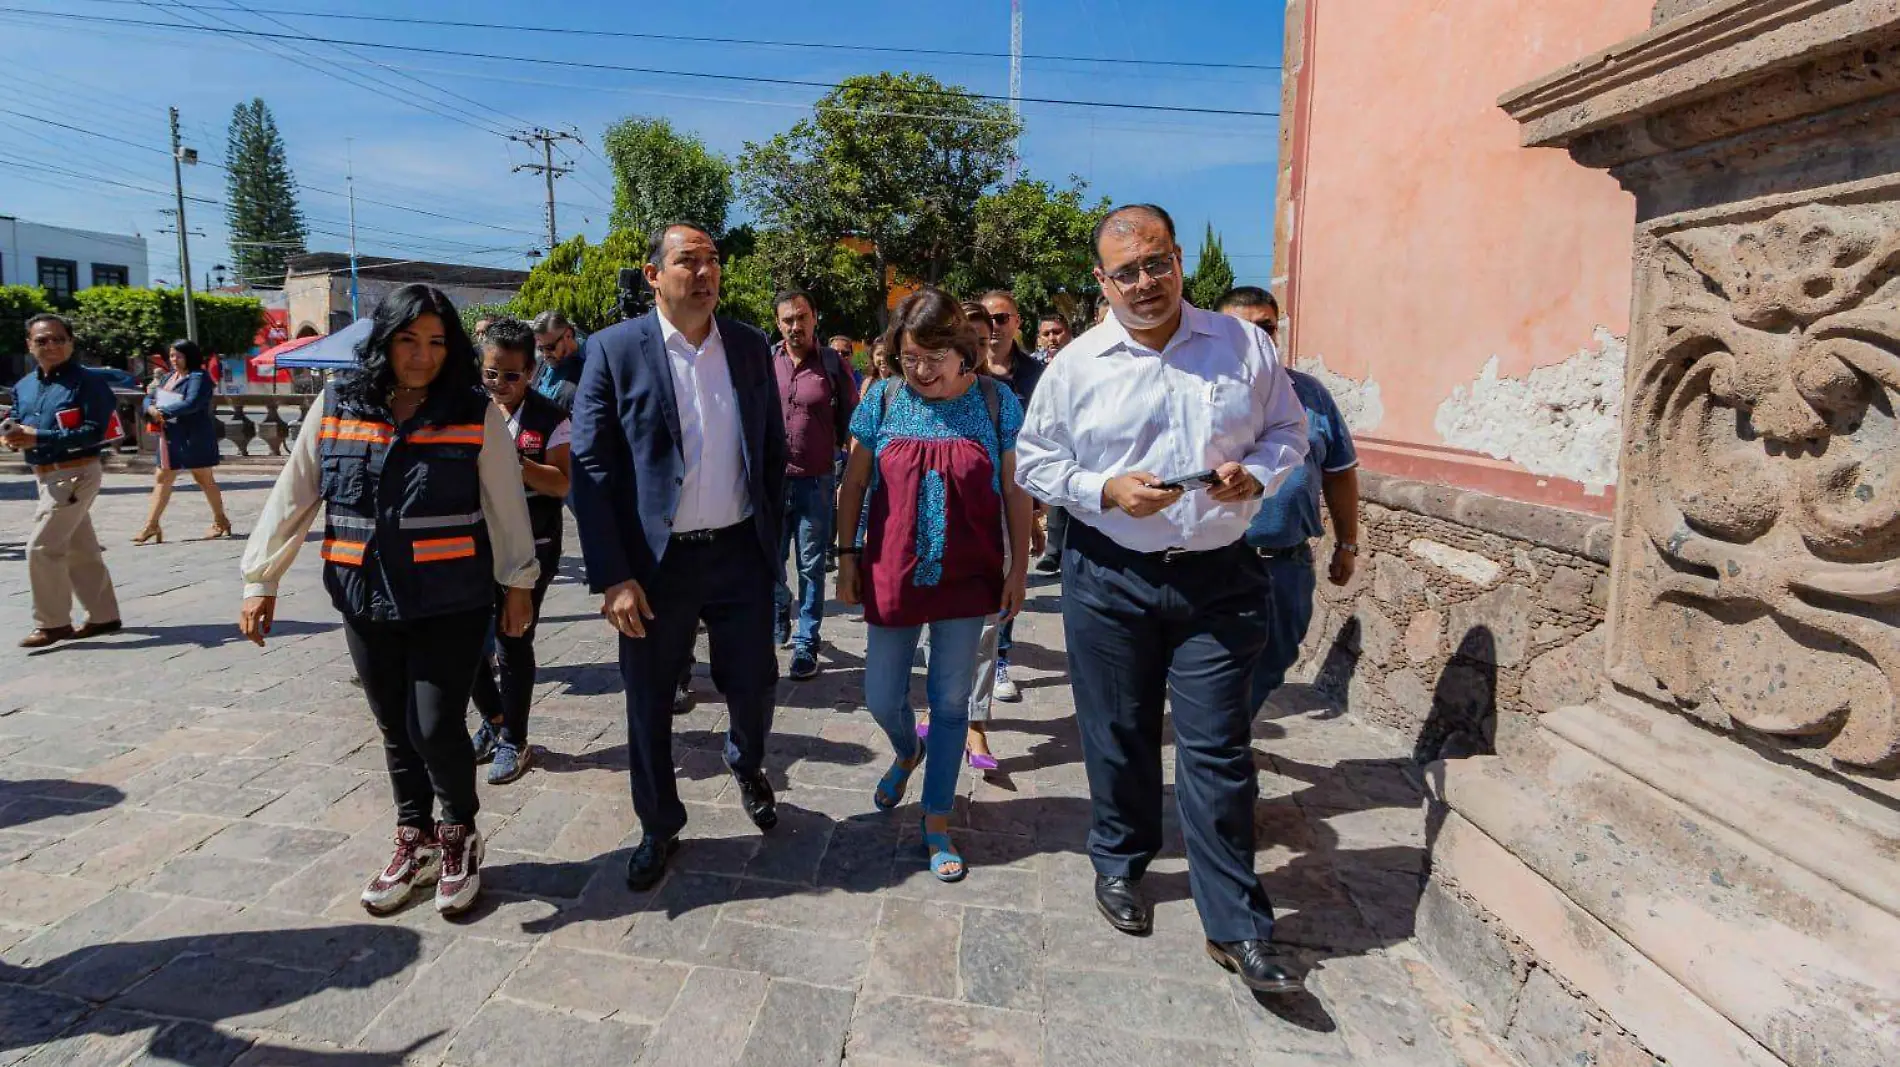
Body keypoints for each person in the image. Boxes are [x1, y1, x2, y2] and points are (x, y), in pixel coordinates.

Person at [1016, 204, 1310, 994]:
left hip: (1219, 576)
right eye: (1126, 272)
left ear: (1179, 259)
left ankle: (1237, 925)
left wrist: (1262, 473)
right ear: (1100, 281)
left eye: (1156, 264)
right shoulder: (1075, 365)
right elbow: (1035, 462)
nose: (1145, 283)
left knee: (1217, 749)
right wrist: (1103, 489)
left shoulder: (1242, 344)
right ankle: (1120, 860)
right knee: (1118, 733)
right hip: (1111, 574)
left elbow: (1289, 431)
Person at [238, 283, 540, 917]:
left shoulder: (472, 412)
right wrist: (260, 579)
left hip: (451, 599)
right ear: (385, 341)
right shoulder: (337, 404)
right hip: (364, 596)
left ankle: (459, 833)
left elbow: (507, 508)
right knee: (393, 727)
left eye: (435, 342)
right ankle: (416, 840)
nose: (422, 355)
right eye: (409, 339)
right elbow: (294, 496)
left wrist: (518, 584)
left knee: (434, 724)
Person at [569, 221, 787, 893]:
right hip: (655, 565)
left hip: (739, 551)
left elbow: (771, 448)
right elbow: (591, 468)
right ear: (653, 274)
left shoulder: (750, 348)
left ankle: (745, 758)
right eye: (688, 261)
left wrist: (775, 550)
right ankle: (659, 822)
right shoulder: (613, 351)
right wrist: (613, 575)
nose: (704, 273)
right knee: (649, 699)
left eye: (712, 261)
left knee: (753, 682)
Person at [836, 287, 1030, 882]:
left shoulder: (997, 404)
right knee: (878, 693)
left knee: (950, 703)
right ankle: (905, 749)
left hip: (969, 573)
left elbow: (1017, 491)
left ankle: (938, 820)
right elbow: (855, 481)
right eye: (908, 357)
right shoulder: (883, 398)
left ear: (963, 352)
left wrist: (1018, 567)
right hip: (892, 568)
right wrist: (846, 557)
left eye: (932, 358)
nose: (918, 370)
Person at [1218, 287, 1360, 710]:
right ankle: (1220, 742)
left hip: (1286, 562)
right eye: (1242, 329)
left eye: (1266, 327)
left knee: (1277, 657)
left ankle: (1231, 729)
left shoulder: (1310, 394)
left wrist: (1347, 544)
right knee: (1214, 664)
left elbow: (1339, 472)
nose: (1257, 337)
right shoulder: (1201, 394)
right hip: (1217, 560)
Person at [468, 317, 570, 784]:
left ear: (530, 371)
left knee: (513, 640)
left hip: (532, 545)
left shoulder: (551, 418)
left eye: (512, 375)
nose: (501, 384)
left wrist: (515, 463)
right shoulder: (466, 410)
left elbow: (562, 481)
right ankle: (494, 720)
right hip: (472, 542)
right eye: (492, 373)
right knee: (464, 640)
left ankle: (515, 740)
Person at [6, 314, 122, 649]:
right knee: (78, 547)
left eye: (59, 339)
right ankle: (103, 615)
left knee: (41, 547)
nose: (51, 345)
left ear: (71, 343)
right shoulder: (24, 386)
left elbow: (93, 432)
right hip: (44, 474)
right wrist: (12, 435)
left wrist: (38, 436)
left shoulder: (89, 383)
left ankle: (52, 623)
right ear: (29, 345)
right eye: (42, 340)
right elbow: (18, 420)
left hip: (76, 471)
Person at [771, 290, 857, 680]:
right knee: (770, 563)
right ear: (777, 323)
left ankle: (807, 641)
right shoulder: (765, 362)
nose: (795, 326)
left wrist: (851, 468)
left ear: (814, 317)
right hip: (771, 483)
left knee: (810, 566)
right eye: (787, 319)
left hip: (816, 482)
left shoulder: (832, 365)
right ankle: (778, 609)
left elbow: (854, 421)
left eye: (801, 317)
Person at [973, 290, 1045, 710]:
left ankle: (1000, 660)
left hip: (1014, 494)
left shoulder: (1036, 375)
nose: (996, 325)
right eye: (988, 319)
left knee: (1008, 584)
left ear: (1017, 321)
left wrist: (1034, 512)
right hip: (972, 501)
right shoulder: (959, 375)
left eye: (1002, 317)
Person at [132, 339, 232, 545]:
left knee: (203, 477)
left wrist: (163, 412)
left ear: (189, 356)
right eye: (171, 356)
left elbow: (192, 403)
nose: (174, 360)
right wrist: (150, 408)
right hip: (169, 436)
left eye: (178, 355)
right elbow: (150, 396)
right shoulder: (169, 377)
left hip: (193, 436)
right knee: (162, 477)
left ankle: (221, 520)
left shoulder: (199, 377)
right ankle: (151, 525)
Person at [530, 310, 586, 412]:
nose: (545, 355)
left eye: (550, 347)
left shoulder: (590, 365)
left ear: (568, 335)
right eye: (540, 349)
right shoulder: (539, 363)